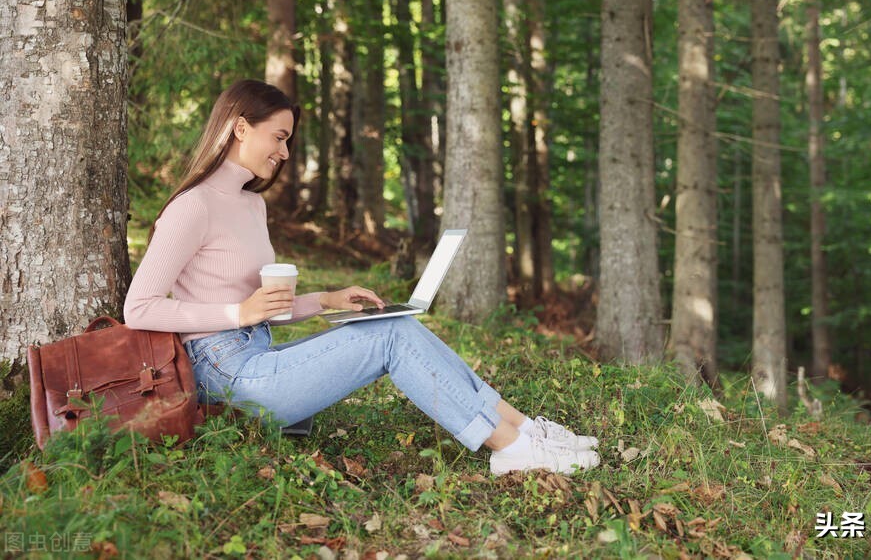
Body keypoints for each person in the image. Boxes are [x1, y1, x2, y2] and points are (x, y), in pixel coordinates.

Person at [124, 79, 599, 475]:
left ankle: (526, 431)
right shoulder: (193, 206)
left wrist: (327, 300)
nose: (285, 152)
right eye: (280, 137)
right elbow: (139, 308)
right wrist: (238, 313)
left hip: (258, 353)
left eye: (288, 141)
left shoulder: (251, 204)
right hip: (224, 373)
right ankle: (509, 449)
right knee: (389, 336)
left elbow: (263, 309)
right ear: (241, 127)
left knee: (396, 323)